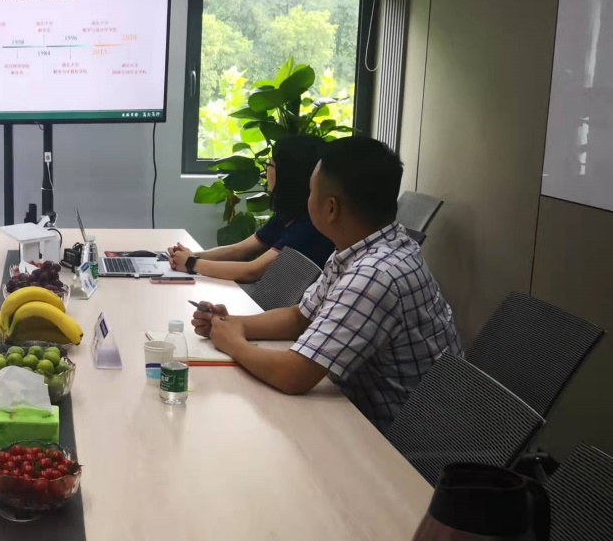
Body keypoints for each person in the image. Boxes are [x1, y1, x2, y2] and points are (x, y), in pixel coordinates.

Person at [192, 137, 461, 431]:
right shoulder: (367, 246)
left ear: (331, 208)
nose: (307, 200)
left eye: (311, 191)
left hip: (398, 437)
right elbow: (300, 317)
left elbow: (294, 375)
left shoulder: (374, 275)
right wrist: (232, 323)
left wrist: (234, 344)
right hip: (361, 410)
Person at [169, 135, 334, 281]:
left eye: (270, 164)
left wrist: (192, 263)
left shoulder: (310, 225)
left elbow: (252, 271)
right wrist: (190, 255)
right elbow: (241, 250)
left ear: (289, 174)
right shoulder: (289, 214)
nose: (266, 170)